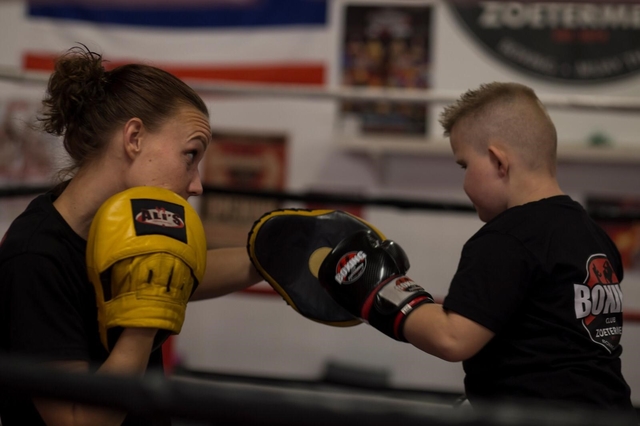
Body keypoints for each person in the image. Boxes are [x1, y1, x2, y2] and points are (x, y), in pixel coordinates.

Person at [312, 82, 636, 418]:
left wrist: (378, 291)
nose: (464, 182)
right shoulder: (594, 235)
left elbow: (453, 338)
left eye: (464, 166)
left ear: (498, 162)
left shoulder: (507, 238)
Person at [0, 45, 262, 425]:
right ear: (134, 137)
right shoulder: (36, 258)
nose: (197, 185)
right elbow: (80, 420)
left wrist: (269, 255)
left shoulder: (125, 228)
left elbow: (184, 273)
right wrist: (142, 323)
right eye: (190, 155)